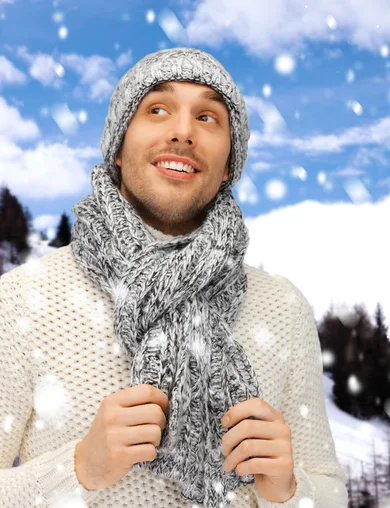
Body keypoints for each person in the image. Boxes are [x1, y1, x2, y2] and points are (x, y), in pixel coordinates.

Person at [0, 47, 348, 508]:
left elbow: (329, 491)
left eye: (208, 118)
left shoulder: (282, 307)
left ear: (229, 166)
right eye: (157, 109)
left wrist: (288, 490)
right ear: (118, 148)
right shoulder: (23, 299)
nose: (183, 132)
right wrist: (80, 468)